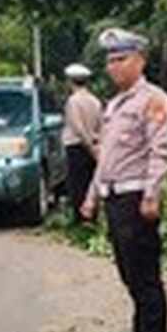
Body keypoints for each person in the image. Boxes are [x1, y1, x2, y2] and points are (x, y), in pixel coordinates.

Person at [80, 28, 167, 332]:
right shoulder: (116, 104)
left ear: (141, 60)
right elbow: (106, 157)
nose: (113, 67)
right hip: (115, 198)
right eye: (109, 61)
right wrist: (91, 198)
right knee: (130, 275)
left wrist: (152, 194)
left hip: (137, 199)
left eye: (121, 60)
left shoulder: (154, 100)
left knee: (146, 278)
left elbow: (160, 151)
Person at [62, 63, 102, 223]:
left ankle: (82, 220)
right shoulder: (95, 101)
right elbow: (101, 126)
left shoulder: (73, 101)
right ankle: (93, 217)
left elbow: (78, 127)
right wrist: (97, 147)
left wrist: (89, 147)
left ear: (70, 81)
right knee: (92, 182)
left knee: (78, 186)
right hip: (94, 144)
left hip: (77, 147)